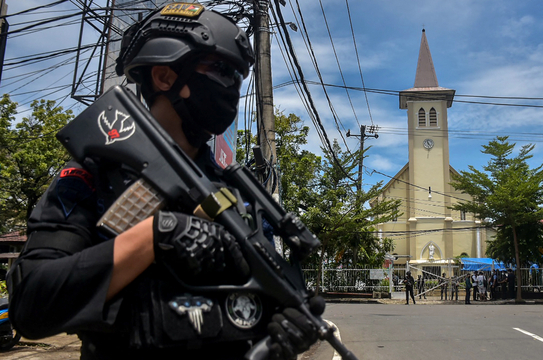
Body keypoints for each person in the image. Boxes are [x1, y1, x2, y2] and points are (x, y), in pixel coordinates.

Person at [7, 5, 320, 360]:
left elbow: (246, 312)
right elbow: (32, 305)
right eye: (220, 70)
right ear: (165, 77)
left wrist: (281, 337)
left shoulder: (235, 193)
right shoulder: (96, 173)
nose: (233, 88)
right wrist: (159, 234)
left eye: (238, 77)